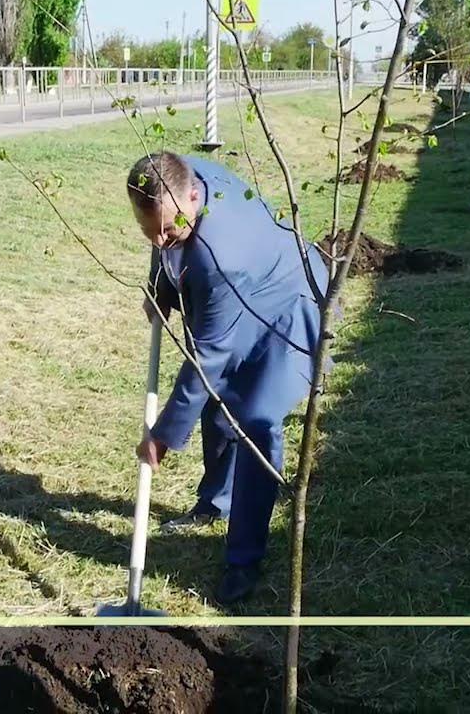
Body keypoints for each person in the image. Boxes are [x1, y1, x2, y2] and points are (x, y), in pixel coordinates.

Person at [127, 152, 329, 605]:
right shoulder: (171, 179)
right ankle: (214, 503)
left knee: (255, 422)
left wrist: (162, 436)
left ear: (194, 197)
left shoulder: (223, 255)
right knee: (218, 404)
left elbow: (208, 358)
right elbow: (163, 241)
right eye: (149, 230)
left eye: (168, 229)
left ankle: (243, 561)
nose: (160, 239)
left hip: (289, 305)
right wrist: (160, 287)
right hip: (243, 288)